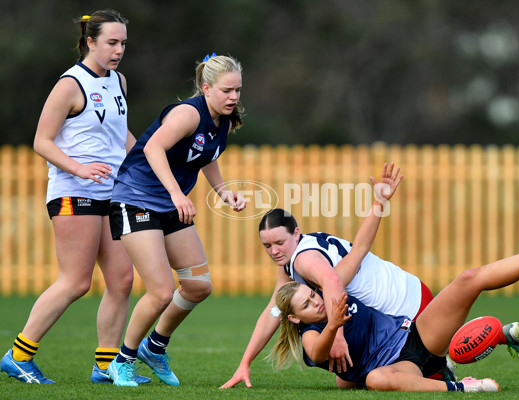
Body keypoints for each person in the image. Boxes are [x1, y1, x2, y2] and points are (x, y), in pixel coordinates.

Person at [270, 200, 519, 392]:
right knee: (374, 380)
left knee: (468, 278)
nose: (317, 300)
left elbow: (352, 257)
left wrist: (379, 202)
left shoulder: (330, 288)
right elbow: (318, 353)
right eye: (308, 304)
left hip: (416, 334)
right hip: (400, 366)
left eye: (313, 293)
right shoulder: (311, 333)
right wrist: (333, 328)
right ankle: (460, 386)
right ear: (295, 318)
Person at [0, 10, 149, 385]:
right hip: (74, 192)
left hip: (112, 193)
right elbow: (41, 142)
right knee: (76, 281)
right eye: (111, 43)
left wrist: (147, 161)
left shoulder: (119, 81)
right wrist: (79, 168)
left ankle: (106, 366)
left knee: (121, 280)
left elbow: (119, 134)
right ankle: (17, 356)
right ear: (90, 42)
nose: (118, 51)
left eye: (123, 44)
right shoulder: (70, 85)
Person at [222, 164, 453, 389]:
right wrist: (245, 362)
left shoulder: (304, 259)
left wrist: (337, 335)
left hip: (407, 308)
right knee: (345, 380)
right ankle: (433, 368)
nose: (274, 251)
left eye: (279, 243)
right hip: (410, 290)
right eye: (267, 245)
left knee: (394, 374)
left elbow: (332, 281)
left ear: (296, 233)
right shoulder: (294, 257)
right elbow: (275, 309)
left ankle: (439, 372)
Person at [105, 53, 247, 387]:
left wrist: (224, 192)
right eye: (227, 90)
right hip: (135, 198)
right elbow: (152, 148)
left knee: (199, 286)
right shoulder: (187, 113)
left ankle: (154, 347)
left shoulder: (224, 119)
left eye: (238, 90)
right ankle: (122, 361)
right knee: (160, 291)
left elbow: (206, 156)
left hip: (169, 205)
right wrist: (176, 193)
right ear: (206, 88)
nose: (234, 97)